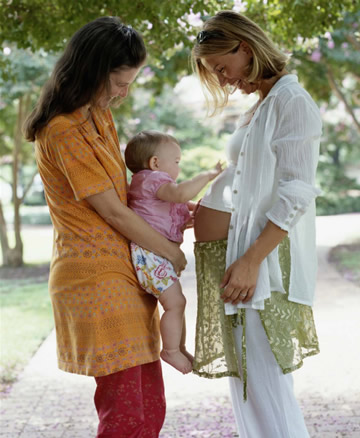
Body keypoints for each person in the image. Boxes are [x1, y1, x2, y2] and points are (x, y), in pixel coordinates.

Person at [23, 17, 187, 438]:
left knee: (149, 409)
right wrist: (169, 251)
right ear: (93, 70)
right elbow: (113, 212)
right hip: (96, 279)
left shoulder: (98, 116)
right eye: (119, 82)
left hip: (125, 272)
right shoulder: (62, 130)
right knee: (128, 415)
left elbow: (132, 198)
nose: (123, 93)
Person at [191, 10, 321, 438]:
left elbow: (296, 193)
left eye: (222, 69)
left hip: (259, 261)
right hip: (238, 254)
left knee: (264, 382)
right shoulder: (263, 103)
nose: (224, 80)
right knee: (246, 382)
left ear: (244, 48)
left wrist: (250, 261)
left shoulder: (291, 101)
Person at [124, 129, 223, 374]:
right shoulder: (153, 179)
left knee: (177, 303)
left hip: (155, 256)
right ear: (155, 163)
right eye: (177, 162)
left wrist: (192, 212)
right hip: (150, 255)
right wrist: (208, 176)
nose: (178, 168)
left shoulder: (151, 185)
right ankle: (170, 351)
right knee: (175, 303)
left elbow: (177, 204)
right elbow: (179, 195)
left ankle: (179, 347)